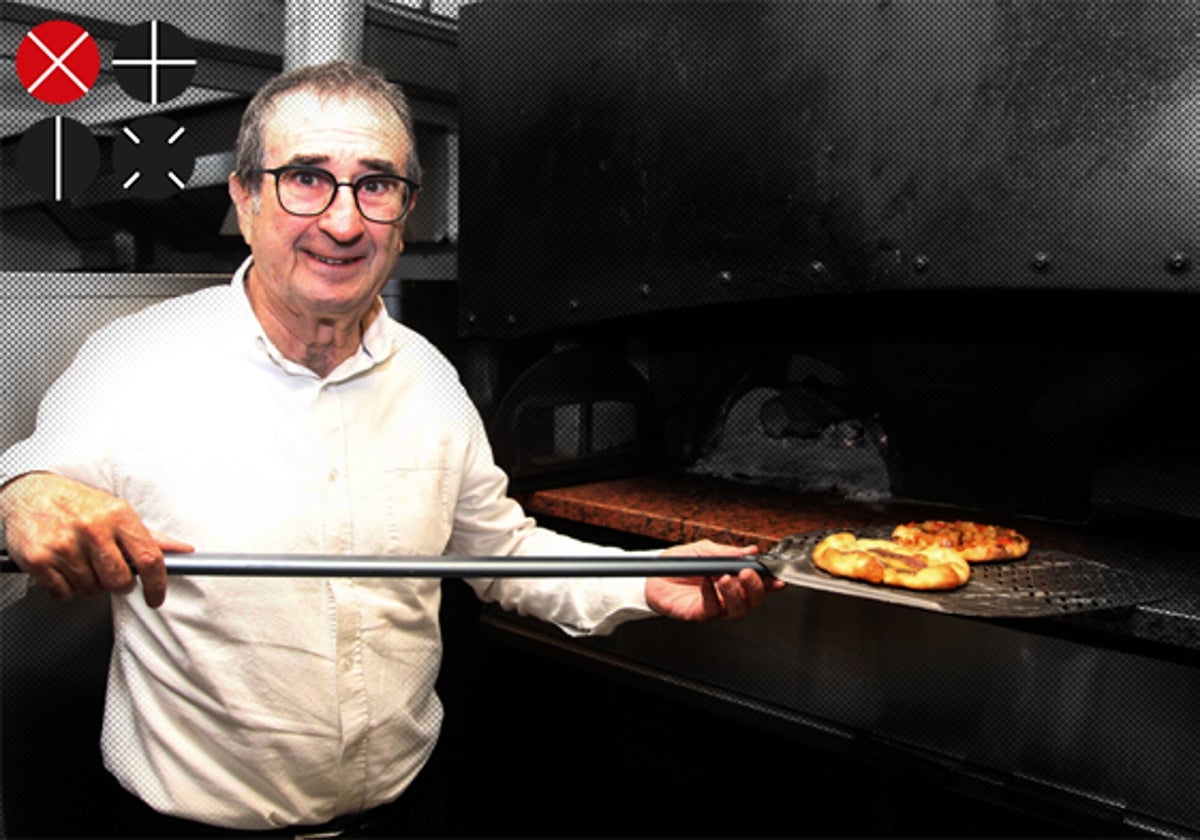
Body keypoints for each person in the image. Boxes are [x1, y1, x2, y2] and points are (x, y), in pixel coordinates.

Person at [0, 60, 782, 837]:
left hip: (407, 818)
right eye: (305, 177)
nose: (343, 223)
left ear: (404, 213)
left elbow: (500, 554)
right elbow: (25, 491)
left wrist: (640, 581)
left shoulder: (431, 380)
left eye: (376, 186)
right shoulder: (136, 359)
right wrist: (24, 496)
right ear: (243, 197)